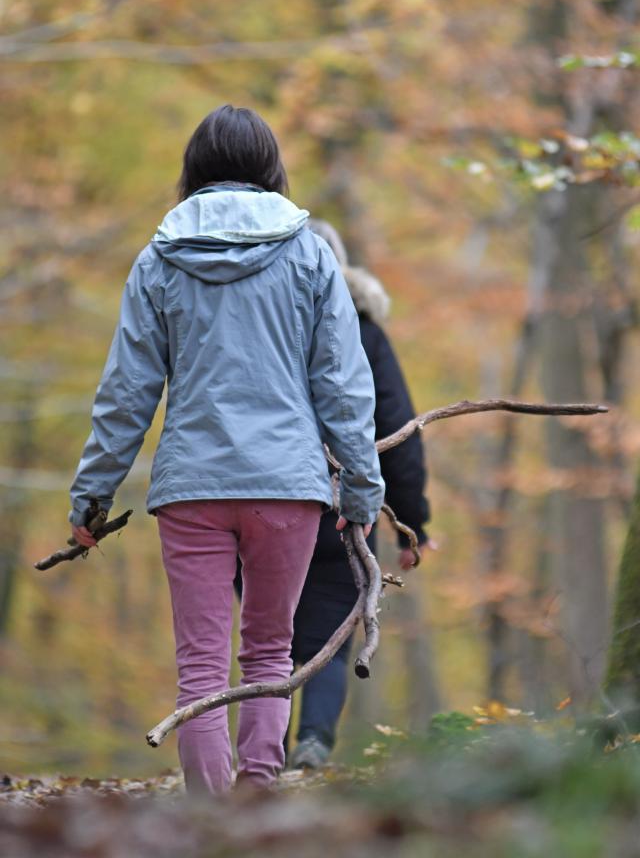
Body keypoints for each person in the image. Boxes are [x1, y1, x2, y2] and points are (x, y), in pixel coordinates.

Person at [67, 105, 384, 795]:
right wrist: (362, 490)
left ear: (194, 168)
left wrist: (91, 499)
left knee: (201, 665)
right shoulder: (309, 255)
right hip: (288, 488)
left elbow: (127, 391)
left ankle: (209, 818)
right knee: (272, 650)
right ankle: (258, 806)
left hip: (193, 488)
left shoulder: (158, 259)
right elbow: (344, 384)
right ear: (271, 167)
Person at [288, 220, 433, 770]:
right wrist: (413, 523)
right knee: (330, 629)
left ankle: (263, 750)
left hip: (260, 495)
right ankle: (314, 742)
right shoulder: (366, 333)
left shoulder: (267, 325)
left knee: (269, 628)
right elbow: (398, 428)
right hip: (340, 506)